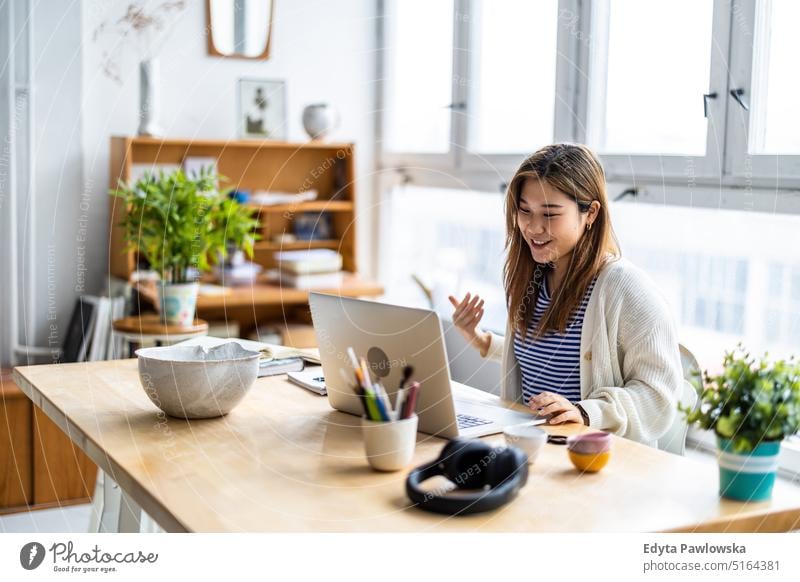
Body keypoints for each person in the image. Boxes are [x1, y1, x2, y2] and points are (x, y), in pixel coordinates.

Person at [449, 143, 683, 445]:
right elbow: (550, 354)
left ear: (590, 214)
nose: (533, 228)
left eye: (549, 214)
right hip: (533, 449)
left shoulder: (626, 288)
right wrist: (481, 340)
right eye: (525, 211)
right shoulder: (534, 275)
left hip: (590, 461)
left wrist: (586, 413)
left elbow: (659, 395)